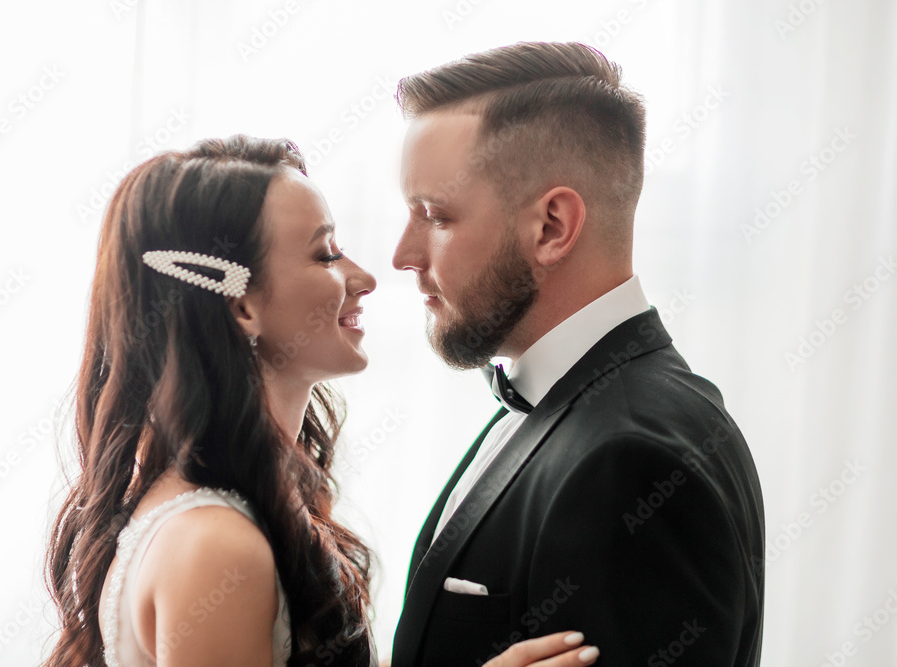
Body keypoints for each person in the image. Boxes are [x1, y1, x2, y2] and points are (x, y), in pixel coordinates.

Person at [41, 135, 599, 667]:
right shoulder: (217, 548)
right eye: (326, 255)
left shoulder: (232, 509)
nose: (364, 278)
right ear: (240, 307)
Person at [388, 42, 765, 667]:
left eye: (435, 215)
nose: (402, 254)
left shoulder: (633, 457)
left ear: (552, 227)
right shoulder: (564, 402)